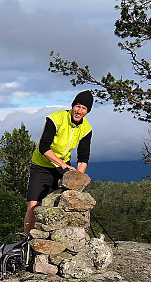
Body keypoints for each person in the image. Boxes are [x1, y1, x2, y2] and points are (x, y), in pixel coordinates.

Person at [23, 90, 94, 234]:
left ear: (87, 111)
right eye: (78, 106)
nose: (79, 111)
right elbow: (44, 146)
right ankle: (28, 242)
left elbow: (83, 156)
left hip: (63, 167)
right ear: (73, 106)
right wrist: (63, 165)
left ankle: (60, 239)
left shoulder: (86, 129)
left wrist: (77, 179)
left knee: (65, 203)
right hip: (42, 166)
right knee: (33, 205)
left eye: (84, 108)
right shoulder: (55, 119)